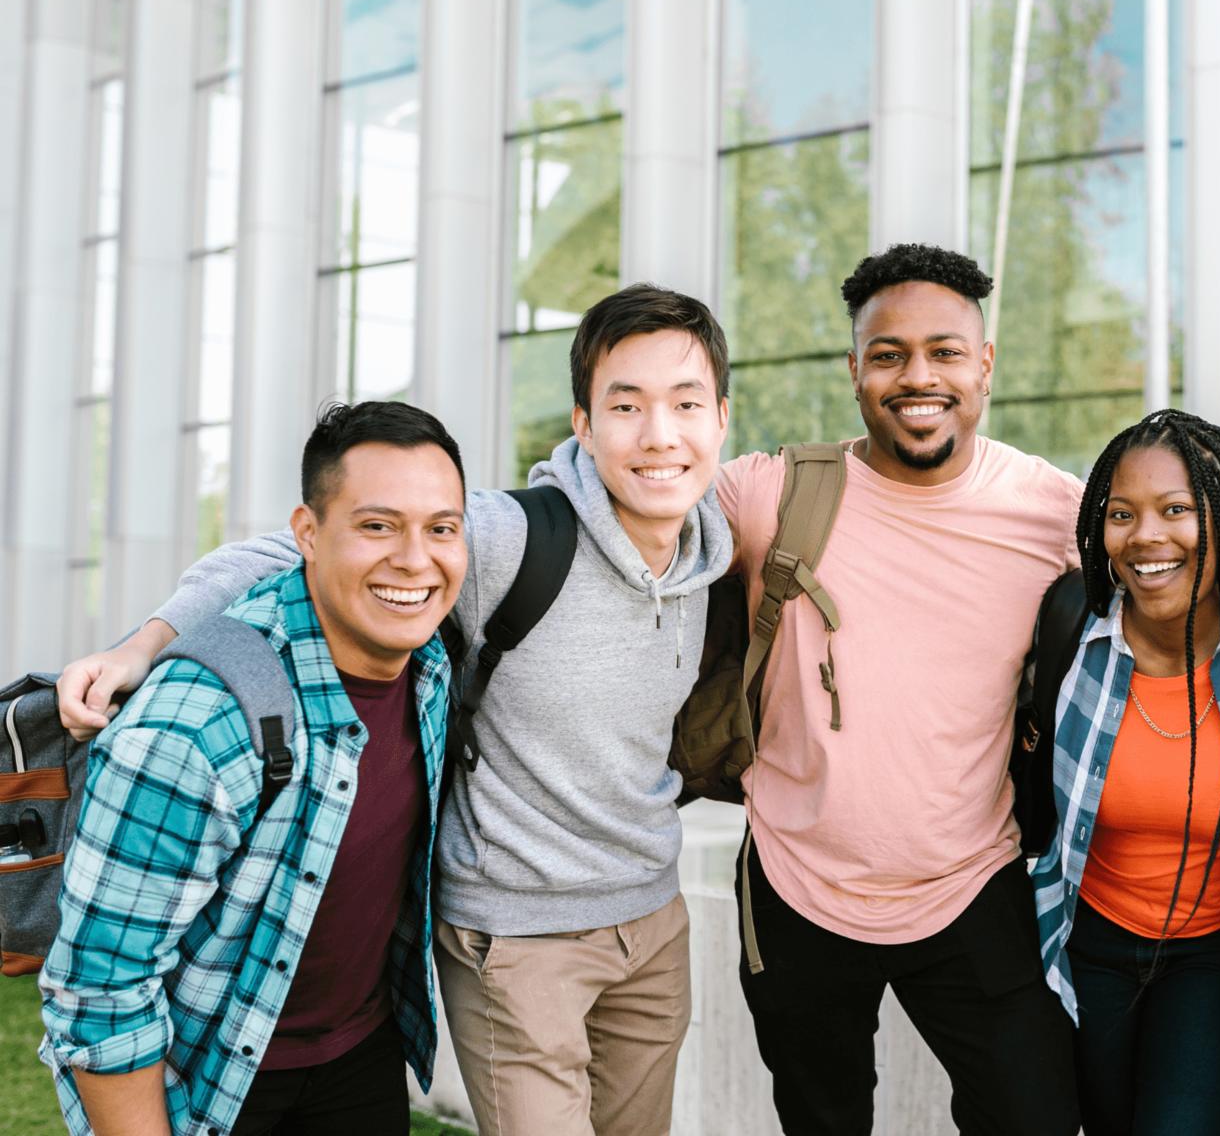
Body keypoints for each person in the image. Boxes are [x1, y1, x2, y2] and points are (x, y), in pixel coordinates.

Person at [54, 284, 733, 1136]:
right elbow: (288, 550)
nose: (660, 433)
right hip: (516, 935)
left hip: (645, 921)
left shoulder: (714, 542)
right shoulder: (504, 538)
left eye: (685, 404)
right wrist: (143, 645)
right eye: (626, 405)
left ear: (722, 420)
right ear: (583, 425)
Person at [716, 243, 1083, 1134]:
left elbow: (1190, 584)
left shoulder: (1057, 512)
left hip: (973, 881)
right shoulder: (774, 494)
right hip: (796, 887)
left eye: (946, 351)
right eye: (888, 355)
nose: (918, 376)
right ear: (855, 372)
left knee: (1035, 1116)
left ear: (986, 365)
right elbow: (621, 510)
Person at [39, 401, 468, 1136]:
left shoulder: (428, 661)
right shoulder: (197, 723)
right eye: (376, 525)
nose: (415, 559)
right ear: (305, 533)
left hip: (360, 1051)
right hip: (211, 1080)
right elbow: (99, 992)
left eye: (441, 528)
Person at [1030, 409, 1220, 1136]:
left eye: (1176, 510)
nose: (1146, 537)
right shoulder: (1075, 626)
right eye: (1122, 513)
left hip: (1218, 954)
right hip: (1087, 939)